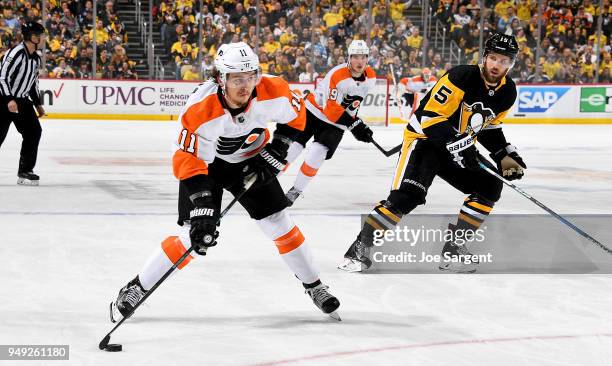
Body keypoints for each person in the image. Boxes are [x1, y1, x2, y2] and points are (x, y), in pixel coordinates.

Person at [109, 42, 341, 322]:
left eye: (250, 76)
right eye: (236, 79)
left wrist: (277, 149)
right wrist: (203, 206)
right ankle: (136, 287)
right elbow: (187, 159)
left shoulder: (274, 90)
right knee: (193, 237)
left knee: (279, 222)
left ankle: (315, 286)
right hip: (206, 167)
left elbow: (296, 117)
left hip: (251, 161)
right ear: (220, 78)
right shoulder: (200, 110)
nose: (245, 86)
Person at [339, 33, 527, 273]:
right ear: (485, 57)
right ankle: (359, 248)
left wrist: (503, 155)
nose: (497, 65)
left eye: (504, 61)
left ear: (511, 64)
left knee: (490, 185)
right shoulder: (462, 76)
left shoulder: (507, 91)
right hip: (424, 141)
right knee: (407, 197)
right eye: (493, 58)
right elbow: (429, 117)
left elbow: (489, 126)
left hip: (455, 146)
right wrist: (461, 145)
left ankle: (454, 248)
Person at [284, 40, 376, 205]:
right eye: (355, 56)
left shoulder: (371, 78)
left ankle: (295, 191)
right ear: (349, 58)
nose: (359, 61)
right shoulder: (338, 75)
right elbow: (331, 109)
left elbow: (352, 105)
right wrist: (354, 125)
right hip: (314, 112)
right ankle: (267, 180)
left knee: (317, 153)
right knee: (293, 147)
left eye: (363, 57)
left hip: (336, 124)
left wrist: (358, 124)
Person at [0, 21, 46, 186]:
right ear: (33, 37)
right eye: (41, 35)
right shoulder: (16, 53)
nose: (44, 39)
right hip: (3, 100)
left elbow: (33, 83)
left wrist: (37, 104)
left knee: (34, 132)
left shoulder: (36, 57)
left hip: (22, 102)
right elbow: (2, 77)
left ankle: (25, 171)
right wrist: (9, 99)